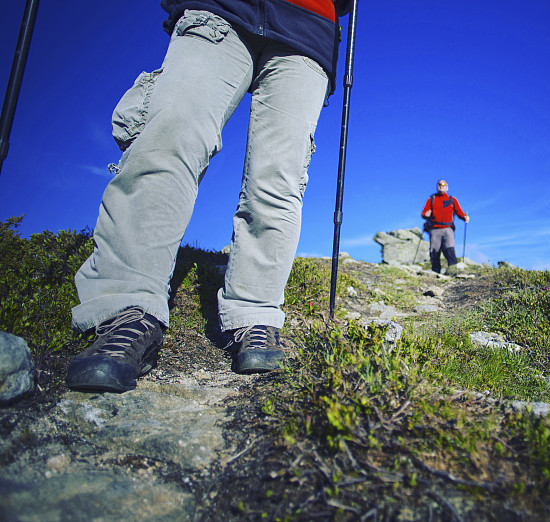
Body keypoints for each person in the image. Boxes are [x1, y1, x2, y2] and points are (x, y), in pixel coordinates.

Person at [65, 0, 353, 393]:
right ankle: (126, 307)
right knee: (170, 135)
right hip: (221, 7)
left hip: (307, 30)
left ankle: (255, 313)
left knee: (279, 178)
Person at [421, 179, 469, 274]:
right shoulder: (432, 199)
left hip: (448, 229)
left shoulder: (452, 200)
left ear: (447, 187)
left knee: (449, 249)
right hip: (434, 229)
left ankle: (453, 270)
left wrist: (464, 217)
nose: (441, 186)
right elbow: (423, 213)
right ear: (437, 187)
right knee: (434, 251)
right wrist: (426, 214)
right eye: (439, 185)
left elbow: (459, 212)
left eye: (443, 185)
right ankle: (435, 272)